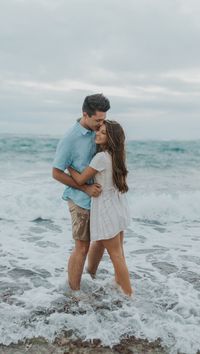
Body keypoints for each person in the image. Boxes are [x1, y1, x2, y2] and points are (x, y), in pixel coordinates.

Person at [52, 93, 110, 295]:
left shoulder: (100, 129)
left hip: (101, 198)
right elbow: (56, 172)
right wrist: (84, 188)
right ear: (85, 114)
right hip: (80, 199)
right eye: (98, 120)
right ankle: (74, 294)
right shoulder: (70, 139)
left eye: (103, 119)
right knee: (82, 247)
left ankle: (90, 277)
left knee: (103, 240)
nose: (102, 123)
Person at [68, 120, 132, 296]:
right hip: (118, 207)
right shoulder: (115, 155)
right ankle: (120, 284)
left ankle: (129, 295)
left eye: (103, 133)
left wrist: (68, 165)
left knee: (116, 256)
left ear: (110, 138)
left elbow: (80, 180)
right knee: (120, 254)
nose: (98, 134)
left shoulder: (101, 157)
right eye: (99, 131)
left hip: (106, 210)